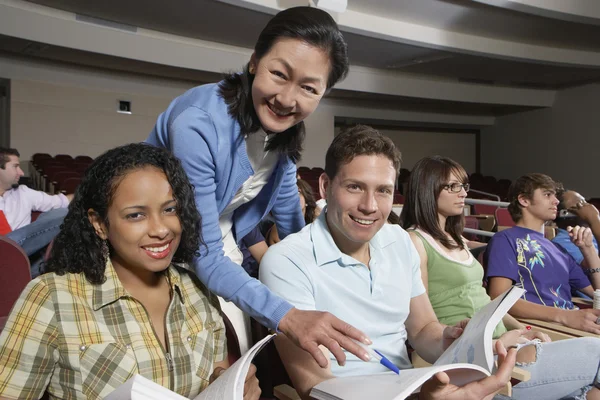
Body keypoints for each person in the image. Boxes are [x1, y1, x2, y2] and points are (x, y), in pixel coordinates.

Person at [146, 6, 370, 365]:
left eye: (308, 88)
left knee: (240, 365)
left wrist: (321, 280)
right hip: (164, 250)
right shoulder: (198, 123)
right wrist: (290, 317)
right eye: (279, 74)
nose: (286, 98)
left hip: (219, 249)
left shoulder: (286, 131)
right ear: (254, 62)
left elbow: (290, 219)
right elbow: (203, 252)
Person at [260, 126, 518, 400]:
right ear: (325, 186)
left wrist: (451, 340)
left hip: (411, 387)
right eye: (355, 187)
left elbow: (422, 329)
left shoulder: (399, 240)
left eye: (383, 191)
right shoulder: (285, 261)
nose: (370, 206)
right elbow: (314, 385)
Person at [0, 144, 261, 399]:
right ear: (100, 224)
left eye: (170, 209)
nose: (161, 229)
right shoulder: (51, 297)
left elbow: (217, 376)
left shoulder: (198, 292)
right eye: (136, 215)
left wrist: (234, 387)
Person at [400, 155, 600, 400]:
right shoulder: (414, 241)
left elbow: (488, 302)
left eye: (464, 186)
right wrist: (488, 343)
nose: (462, 193)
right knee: (596, 352)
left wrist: (524, 330)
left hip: (505, 343)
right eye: (453, 186)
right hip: (477, 358)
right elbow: (422, 321)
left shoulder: (457, 239)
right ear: (427, 188)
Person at [485, 173, 600, 335]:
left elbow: (597, 293)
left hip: (567, 324)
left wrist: (589, 250)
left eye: (555, 195)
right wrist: (565, 316)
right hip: (540, 328)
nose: (556, 201)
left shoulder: (558, 249)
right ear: (524, 200)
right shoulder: (505, 240)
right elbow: (498, 298)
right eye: (547, 195)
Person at [0, 147, 73, 277]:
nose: (21, 172)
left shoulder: (23, 193)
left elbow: (61, 201)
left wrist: (86, 192)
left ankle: (29, 271)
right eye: (15, 166)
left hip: (23, 254)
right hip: (4, 249)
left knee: (62, 213)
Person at [265, 178, 320, 245]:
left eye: (298, 192)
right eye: (289, 194)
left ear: (306, 199)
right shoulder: (279, 228)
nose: (294, 197)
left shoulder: (314, 222)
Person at [553, 190, 600, 264]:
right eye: (580, 204)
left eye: (585, 202)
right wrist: (594, 219)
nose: (589, 207)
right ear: (564, 214)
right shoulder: (561, 242)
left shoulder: (591, 233)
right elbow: (595, 268)